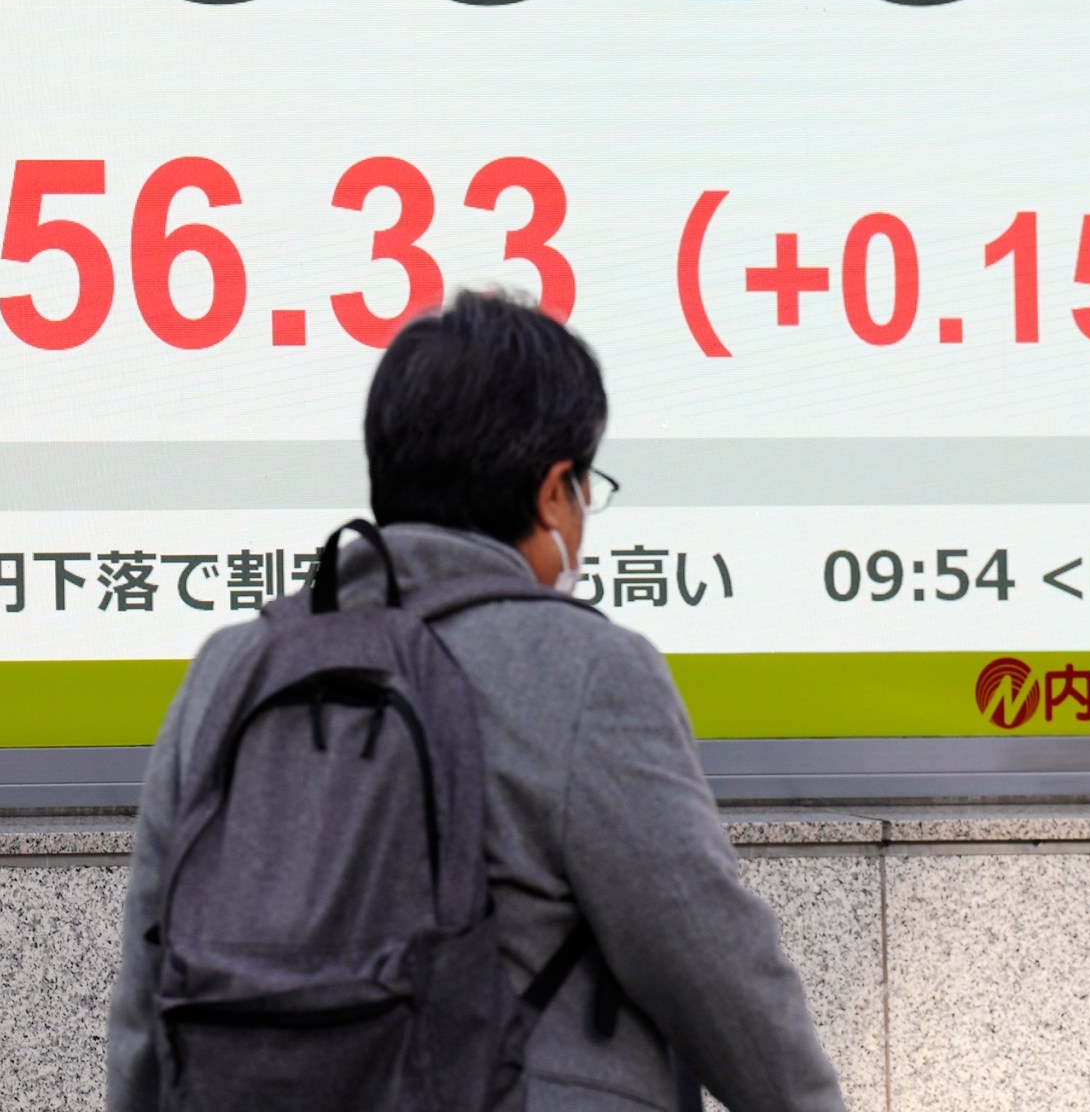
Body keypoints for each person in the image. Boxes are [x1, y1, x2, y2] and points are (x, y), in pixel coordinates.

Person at [106, 292, 846, 1112]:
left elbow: (150, 992)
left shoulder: (233, 668)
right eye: (584, 489)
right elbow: (711, 962)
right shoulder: (584, 669)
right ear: (551, 490)